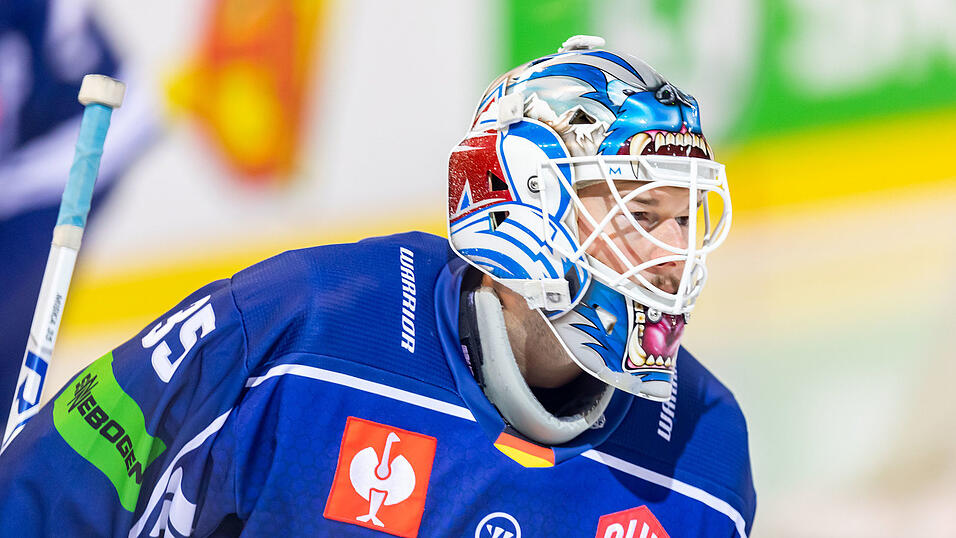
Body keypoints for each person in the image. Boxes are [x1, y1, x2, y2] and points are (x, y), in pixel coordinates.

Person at [0, 35, 755, 537]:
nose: (675, 255)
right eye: (641, 212)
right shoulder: (299, 334)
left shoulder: (704, 462)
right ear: (527, 207)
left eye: (688, 218)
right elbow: (50, 493)